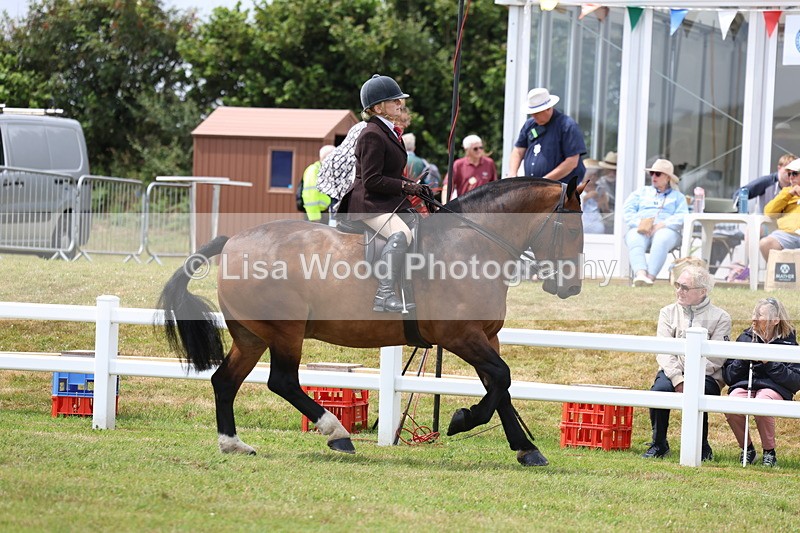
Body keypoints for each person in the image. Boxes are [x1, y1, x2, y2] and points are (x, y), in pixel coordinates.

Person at [337, 74, 431, 313]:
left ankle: (410, 289)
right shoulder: (372, 134)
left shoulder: (389, 131)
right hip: (368, 203)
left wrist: (414, 185)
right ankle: (384, 294)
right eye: (395, 100)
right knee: (401, 234)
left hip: (385, 201)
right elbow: (371, 180)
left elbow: (390, 173)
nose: (400, 103)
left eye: (400, 100)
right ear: (378, 107)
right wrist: (404, 186)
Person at [642, 265, 731, 461]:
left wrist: (691, 377)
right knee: (658, 393)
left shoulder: (721, 317)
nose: (679, 291)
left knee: (699, 392)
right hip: (672, 371)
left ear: (702, 292)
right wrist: (677, 378)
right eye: (677, 285)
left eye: (684, 287)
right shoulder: (667, 312)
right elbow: (664, 351)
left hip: (706, 374)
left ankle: (701, 445)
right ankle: (659, 444)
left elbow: (716, 358)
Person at [722, 298, 800, 467]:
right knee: (731, 404)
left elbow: (795, 381)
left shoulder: (789, 342)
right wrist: (744, 359)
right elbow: (729, 376)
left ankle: (769, 452)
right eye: (754, 314)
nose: (754, 319)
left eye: (760, 315)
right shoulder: (745, 337)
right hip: (745, 385)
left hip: (773, 389)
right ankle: (747, 449)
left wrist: (768, 362)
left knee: (762, 403)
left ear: (775, 320)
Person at [623, 158, 688, 287]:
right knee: (634, 238)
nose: (653, 176)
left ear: (668, 177)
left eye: (657, 174)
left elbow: (682, 216)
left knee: (661, 238)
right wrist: (642, 225)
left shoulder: (677, 196)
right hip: (641, 228)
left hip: (666, 229)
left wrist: (661, 225)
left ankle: (650, 277)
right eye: (651, 173)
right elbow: (627, 211)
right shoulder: (641, 192)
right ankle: (640, 275)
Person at [508, 87, 586, 184]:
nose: (533, 116)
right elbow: (518, 150)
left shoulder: (567, 125)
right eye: (532, 113)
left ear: (548, 108)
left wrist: (544, 181)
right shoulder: (529, 125)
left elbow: (572, 162)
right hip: (534, 188)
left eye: (537, 113)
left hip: (561, 189)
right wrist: (512, 173)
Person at [759, 157, 800, 260]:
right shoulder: (786, 192)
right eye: (789, 174)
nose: (790, 177)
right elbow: (768, 212)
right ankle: (779, 275)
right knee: (766, 243)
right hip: (788, 234)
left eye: (794, 174)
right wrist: (788, 195)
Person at [443, 134, 498, 201]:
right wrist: (444, 205)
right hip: (464, 206)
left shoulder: (489, 163)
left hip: (485, 205)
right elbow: (447, 186)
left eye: (481, 147)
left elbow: (494, 186)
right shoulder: (458, 164)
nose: (479, 150)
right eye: (475, 148)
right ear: (467, 150)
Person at [301, 145, 334, 224]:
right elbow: (309, 195)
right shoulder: (314, 170)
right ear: (327, 157)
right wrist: (314, 218)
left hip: (322, 214)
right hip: (315, 216)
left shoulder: (324, 171)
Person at [595, 151, 617, 233]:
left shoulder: (622, 185)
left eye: (615, 170)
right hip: (605, 220)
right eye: (609, 170)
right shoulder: (599, 183)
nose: (612, 173)